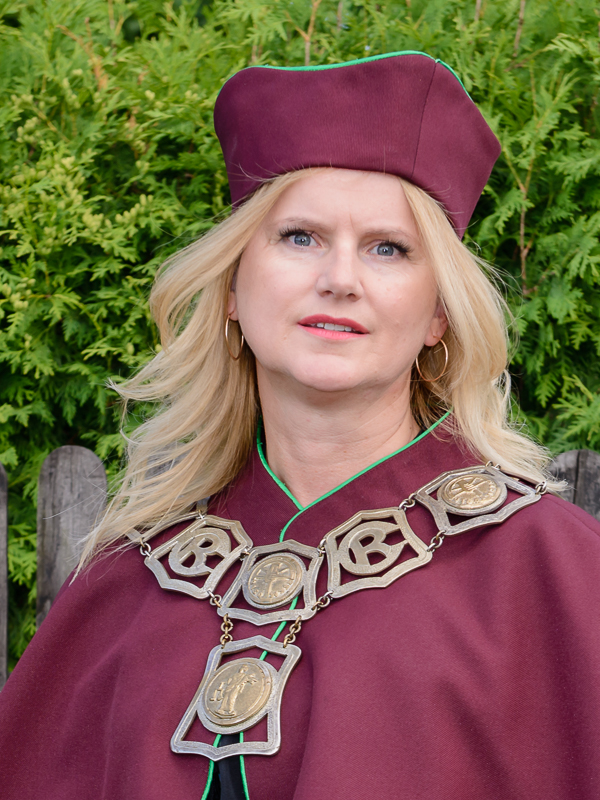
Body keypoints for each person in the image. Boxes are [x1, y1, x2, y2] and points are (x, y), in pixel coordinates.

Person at [2, 51, 600, 800]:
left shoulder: (553, 571)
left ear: (439, 314)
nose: (340, 279)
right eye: (299, 237)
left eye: (388, 248)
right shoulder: (132, 574)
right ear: (232, 287)